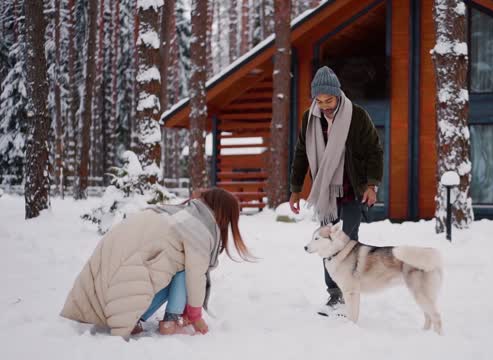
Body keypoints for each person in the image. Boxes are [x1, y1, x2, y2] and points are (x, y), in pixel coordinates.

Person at [60, 188, 253, 336]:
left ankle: (138, 316)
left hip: (109, 272)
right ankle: (170, 321)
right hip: (125, 276)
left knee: (178, 266)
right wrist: (195, 317)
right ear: (224, 215)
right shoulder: (198, 229)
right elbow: (194, 276)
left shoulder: (178, 214)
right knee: (188, 271)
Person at [289, 66, 383, 316]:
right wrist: (296, 188)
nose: (324, 105)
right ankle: (335, 295)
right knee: (327, 244)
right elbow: (301, 153)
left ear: (338, 95)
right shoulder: (310, 118)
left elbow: (374, 150)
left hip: (353, 188)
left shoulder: (357, 116)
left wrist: (372, 184)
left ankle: (350, 291)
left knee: (347, 242)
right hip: (325, 194)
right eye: (318, 100)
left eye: (328, 100)